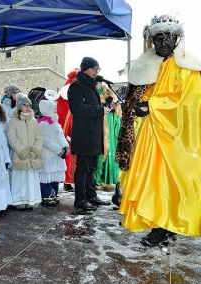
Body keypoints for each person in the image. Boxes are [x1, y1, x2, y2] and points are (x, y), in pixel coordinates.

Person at [116, 14, 201, 247]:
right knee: (152, 182)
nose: (163, 43)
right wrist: (136, 107)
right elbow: (135, 98)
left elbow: (192, 99)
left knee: (175, 182)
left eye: (167, 38)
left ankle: (169, 223)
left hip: (176, 139)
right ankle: (158, 225)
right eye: (158, 38)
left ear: (176, 40)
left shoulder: (188, 66)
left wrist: (153, 105)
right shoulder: (146, 65)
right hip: (149, 136)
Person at [68, 57, 110, 211]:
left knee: (92, 167)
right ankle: (80, 199)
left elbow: (91, 107)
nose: (96, 72)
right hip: (84, 135)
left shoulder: (92, 86)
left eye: (98, 70)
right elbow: (77, 108)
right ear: (85, 69)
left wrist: (104, 107)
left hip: (94, 135)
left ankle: (91, 195)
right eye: (94, 69)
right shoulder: (77, 86)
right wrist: (100, 110)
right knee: (83, 168)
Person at [7, 93, 43, 209]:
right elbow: (11, 137)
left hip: (32, 158)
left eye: (29, 105)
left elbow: (39, 137)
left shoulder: (34, 121)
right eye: (25, 105)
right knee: (20, 180)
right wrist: (22, 150)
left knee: (31, 179)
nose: (28, 107)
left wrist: (35, 149)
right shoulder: (13, 121)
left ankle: (30, 200)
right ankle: (19, 201)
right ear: (19, 107)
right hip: (19, 157)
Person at [38, 99, 69, 206]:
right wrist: (59, 150)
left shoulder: (56, 123)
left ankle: (54, 194)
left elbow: (61, 136)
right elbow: (45, 141)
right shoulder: (42, 124)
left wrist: (65, 147)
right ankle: (46, 196)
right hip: (48, 155)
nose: (55, 110)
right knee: (47, 177)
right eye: (53, 108)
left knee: (55, 176)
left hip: (57, 156)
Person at [56, 69, 79, 192]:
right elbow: (66, 115)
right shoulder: (66, 93)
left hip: (73, 129)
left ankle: (72, 181)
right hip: (68, 131)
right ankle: (67, 181)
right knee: (69, 156)